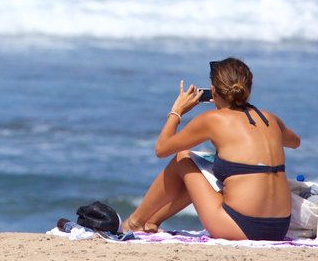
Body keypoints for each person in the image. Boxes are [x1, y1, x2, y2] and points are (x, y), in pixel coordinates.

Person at [119, 58, 301, 241]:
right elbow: (295, 142)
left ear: (213, 90)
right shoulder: (270, 118)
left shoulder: (213, 119)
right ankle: (152, 222)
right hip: (279, 228)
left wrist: (177, 112)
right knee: (210, 170)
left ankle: (134, 222)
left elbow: (162, 149)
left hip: (241, 227)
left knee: (183, 158)